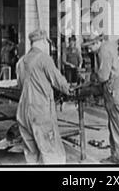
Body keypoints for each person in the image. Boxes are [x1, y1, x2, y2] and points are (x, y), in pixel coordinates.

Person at [16, 29, 73, 164]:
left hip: (23, 113)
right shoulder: (44, 58)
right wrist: (70, 89)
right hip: (40, 112)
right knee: (52, 153)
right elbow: (59, 82)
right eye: (47, 43)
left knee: (32, 154)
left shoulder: (21, 62)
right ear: (42, 42)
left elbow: (20, 86)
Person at [82, 34, 119, 164]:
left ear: (97, 42)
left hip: (118, 94)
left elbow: (103, 77)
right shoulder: (102, 49)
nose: (88, 50)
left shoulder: (104, 51)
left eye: (89, 46)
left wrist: (90, 80)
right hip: (112, 94)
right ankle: (116, 156)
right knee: (113, 126)